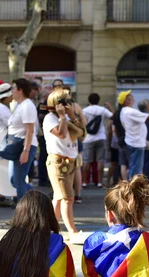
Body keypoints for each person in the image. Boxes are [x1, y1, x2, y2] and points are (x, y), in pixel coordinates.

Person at [42, 88, 85, 243]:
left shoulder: (67, 117)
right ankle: (72, 231)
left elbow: (82, 133)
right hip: (58, 163)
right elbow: (60, 134)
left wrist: (72, 116)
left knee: (59, 198)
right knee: (68, 198)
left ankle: (49, 229)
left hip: (71, 162)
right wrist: (62, 117)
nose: (68, 104)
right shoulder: (49, 118)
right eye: (65, 101)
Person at [5, 78, 38, 201]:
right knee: (14, 180)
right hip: (17, 147)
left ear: (20, 90)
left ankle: (22, 215)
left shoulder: (27, 106)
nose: (11, 91)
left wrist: (26, 151)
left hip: (24, 147)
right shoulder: (20, 105)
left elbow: (29, 130)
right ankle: (36, 198)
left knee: (18, 182)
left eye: (13, 88)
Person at [82, 93, 113, 188]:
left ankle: (84, 182)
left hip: (88, 138)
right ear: (98, 100)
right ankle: (99, 182)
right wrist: (109, 107)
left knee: (86, 160)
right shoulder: (103, 110)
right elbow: (113, 117)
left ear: (89, 100)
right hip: (101, 137)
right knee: (100, 160)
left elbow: (81, 122)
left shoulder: (84, 110)